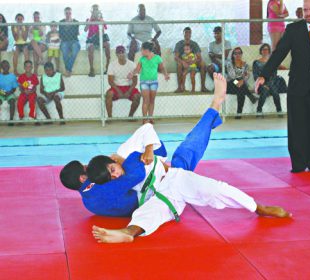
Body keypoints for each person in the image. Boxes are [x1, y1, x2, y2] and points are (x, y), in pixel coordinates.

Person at [59, 74, 291, 243]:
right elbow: (123, 187)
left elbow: (147, 129)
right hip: (161, 195)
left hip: (174, 176)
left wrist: (149, 149)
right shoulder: (100, 184)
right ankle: (128, 233)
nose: (115, 173)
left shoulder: (124, 153)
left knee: (212, 185)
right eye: (110, 174)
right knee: (147, 214)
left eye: (113, 168)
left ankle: (257, 207)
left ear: (112, 162)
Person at [255, 0, 310, 173]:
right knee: (296, 127)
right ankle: (298, 163)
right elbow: (279, 53)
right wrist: (264, 75)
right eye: (305, 10)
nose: (308, 13)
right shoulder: (293, 30)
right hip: (296, 87)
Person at [128, 41, 169, 124]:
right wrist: (132, 74)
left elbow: (162, 68)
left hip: (154, 82)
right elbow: (137, 69)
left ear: (146, 50)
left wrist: (166, 74)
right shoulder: (142, 59)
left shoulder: (157, 58)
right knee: (146, 100)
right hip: (144, 82)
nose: (141, 51)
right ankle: (144, 119)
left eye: (142, 50)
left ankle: (150, 118)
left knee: (152, 100)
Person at [106, 45, 141, 119]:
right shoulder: (112, 65)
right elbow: (110, 81)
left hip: (129, 87)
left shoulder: (132, 64)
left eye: (123, 52)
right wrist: (118, 91)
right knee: (109, 94)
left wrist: (129, 92)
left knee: (137, 96)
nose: (121, 54)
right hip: (116, 86)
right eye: (119, 52)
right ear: (116, 54)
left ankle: (130, 116)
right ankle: (110, 118)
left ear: (126, 53)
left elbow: (135, 81)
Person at [226, 47, 258, 119]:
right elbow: (232, 76)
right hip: (231, 83)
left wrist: (242, 80)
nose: (237, 55)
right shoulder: (229, 64)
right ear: (233, 55)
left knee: (241, 91)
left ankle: (238, 114)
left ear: (241, 54)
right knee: (241, 86)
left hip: (241, 84)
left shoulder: (245, 64)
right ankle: (251, 96)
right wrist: (241, 79)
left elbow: (248, 75)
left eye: (239, 53)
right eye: (235, 53)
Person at [174, 27, 209, 93]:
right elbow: (176, 57)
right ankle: (179, 88)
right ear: (183, 34)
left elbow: (199, 57)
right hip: (183, 62)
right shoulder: (179, 44)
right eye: (186, 32)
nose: (187, 34)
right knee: (178, 64)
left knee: (203, 63)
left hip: (193, 62)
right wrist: (183, 62)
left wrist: (192, 62)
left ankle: (203, 87)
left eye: (189, 32)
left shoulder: (194, 44)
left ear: (191, 34)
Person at [253, 43, 283, 118]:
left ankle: (279, 111)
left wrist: (269, 84)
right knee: (264, 90)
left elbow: (274, 75)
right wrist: (263, 84)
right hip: (260, 85)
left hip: (271, 83)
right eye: (263, 49)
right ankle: (259, 111)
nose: (265, 51)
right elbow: (255, 75)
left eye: (267, 49)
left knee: (275, 92)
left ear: (269, 51)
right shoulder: (256, 62)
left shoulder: (272, 62)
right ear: (261, 51)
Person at [85, 4, 111, 77]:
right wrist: (90, 20)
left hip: (100, 39)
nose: (95, 11)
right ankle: (91, 69)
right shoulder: (89, 20)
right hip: (91, 40)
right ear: (92, 11)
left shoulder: (101, 20)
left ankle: (107, 67)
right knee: (90, 47)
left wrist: (100, 20)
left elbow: (104, 30)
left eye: (96, 10)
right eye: (94, 10)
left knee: (108, 45)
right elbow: (85, 29)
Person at [59, 7, 81, 77]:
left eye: (69, 13)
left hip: (74, 41)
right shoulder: (61, 22)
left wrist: (67, 29)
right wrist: (69, 28)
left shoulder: (76, 22)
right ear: (64, 14)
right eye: (66, 13)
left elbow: (76, 33)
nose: (68, 14)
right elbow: (61, 34)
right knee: (65, 52)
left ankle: (67, 70)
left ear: (71, 13)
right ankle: (69, 70)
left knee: (75, 51)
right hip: (65, 41)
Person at [0, 60, 18, 126]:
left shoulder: (12, 76)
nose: (5, 67)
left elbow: (14, 88)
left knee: (12, 101)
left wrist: (9, 93)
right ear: (1, 67)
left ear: (9, 66)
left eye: (7, 65)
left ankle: (11, 119)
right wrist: (2, 93)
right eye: (3, 66)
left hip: (10, 93)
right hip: (1, 94)